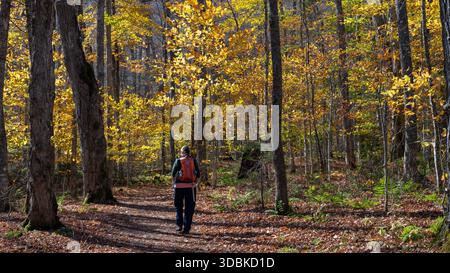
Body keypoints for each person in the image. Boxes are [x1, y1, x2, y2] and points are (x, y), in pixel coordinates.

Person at [171, 146, 200, 234]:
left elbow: (173, 173)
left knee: (178, 206)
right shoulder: (193, 161)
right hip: (191, 188)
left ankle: (179, 225)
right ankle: (187, 228)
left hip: (179, 187)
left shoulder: (178, 160)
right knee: (189, 208)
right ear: (189, 152)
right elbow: (198, 174)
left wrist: (173, 184)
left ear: (182, 152)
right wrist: (195, 183)